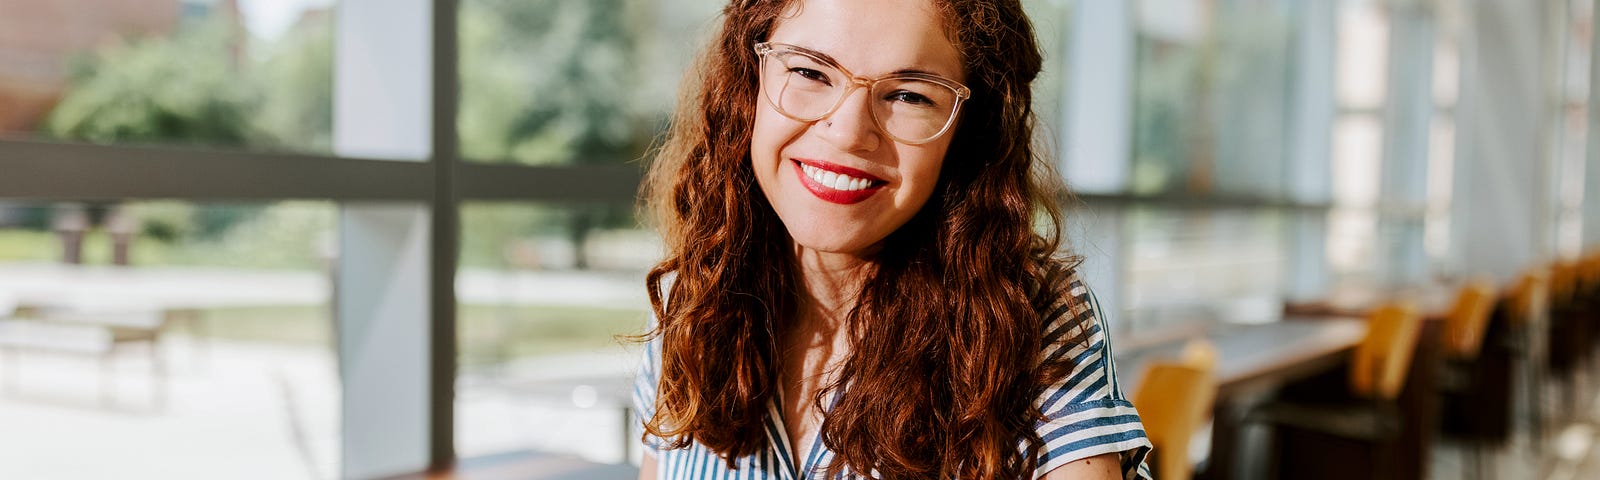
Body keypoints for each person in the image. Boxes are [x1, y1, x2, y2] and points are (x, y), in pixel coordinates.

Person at [633, 0, 1151, 478]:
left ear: (965, 133)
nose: (848, 132)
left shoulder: (1032, 318)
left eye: (908, 95)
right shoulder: (687, 301)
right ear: (748, 85)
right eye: (810, 71)